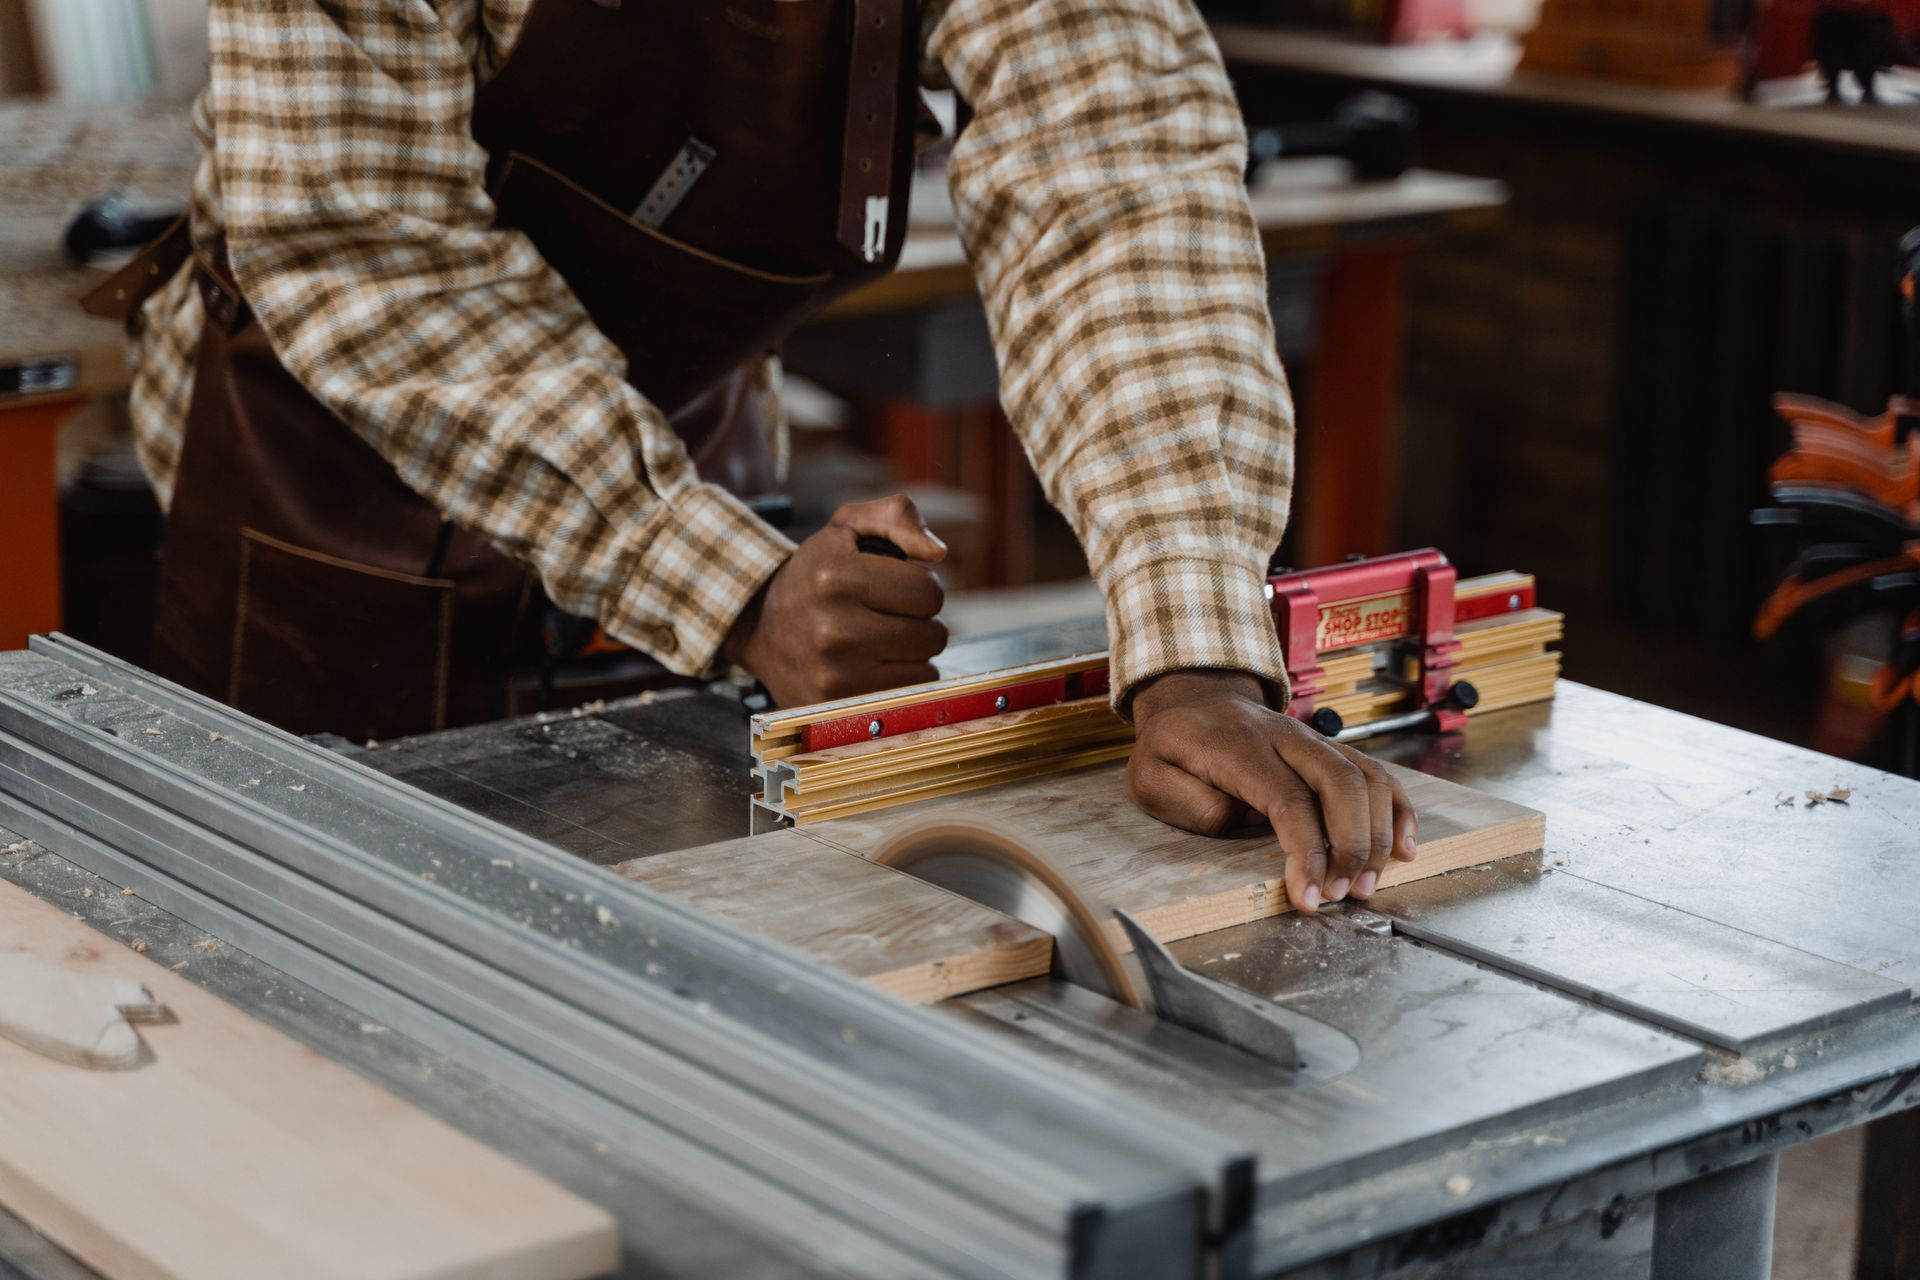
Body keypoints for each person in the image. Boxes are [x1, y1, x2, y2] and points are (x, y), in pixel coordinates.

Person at [101, 0, 1416, 911]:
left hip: (677, 434)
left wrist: (1190, 650)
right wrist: (724, 582)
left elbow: (1113, 171)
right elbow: (358, 235)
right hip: (322, 483)